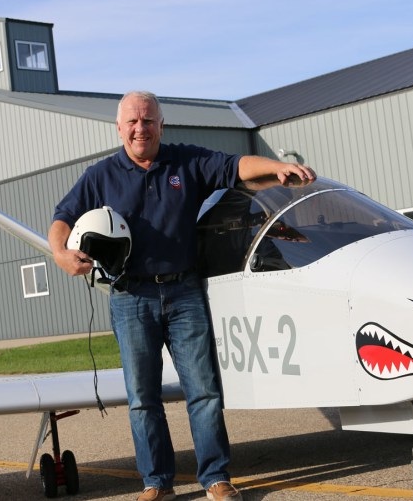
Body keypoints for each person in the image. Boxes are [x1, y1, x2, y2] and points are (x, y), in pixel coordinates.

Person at [49, 91, 316, 501]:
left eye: (149, 120)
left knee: (204, 391)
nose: (141, 128)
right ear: (119, 128)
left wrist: (278, 167)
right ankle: (156, 483)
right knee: (143, 399)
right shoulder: (100, 176)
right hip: (130, 297)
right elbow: (62, 217)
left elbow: (235, 167)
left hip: (184, 292)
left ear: (161, 124)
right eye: (133, 122)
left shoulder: (185, 161)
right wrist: (60, 253)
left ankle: (215, 477)